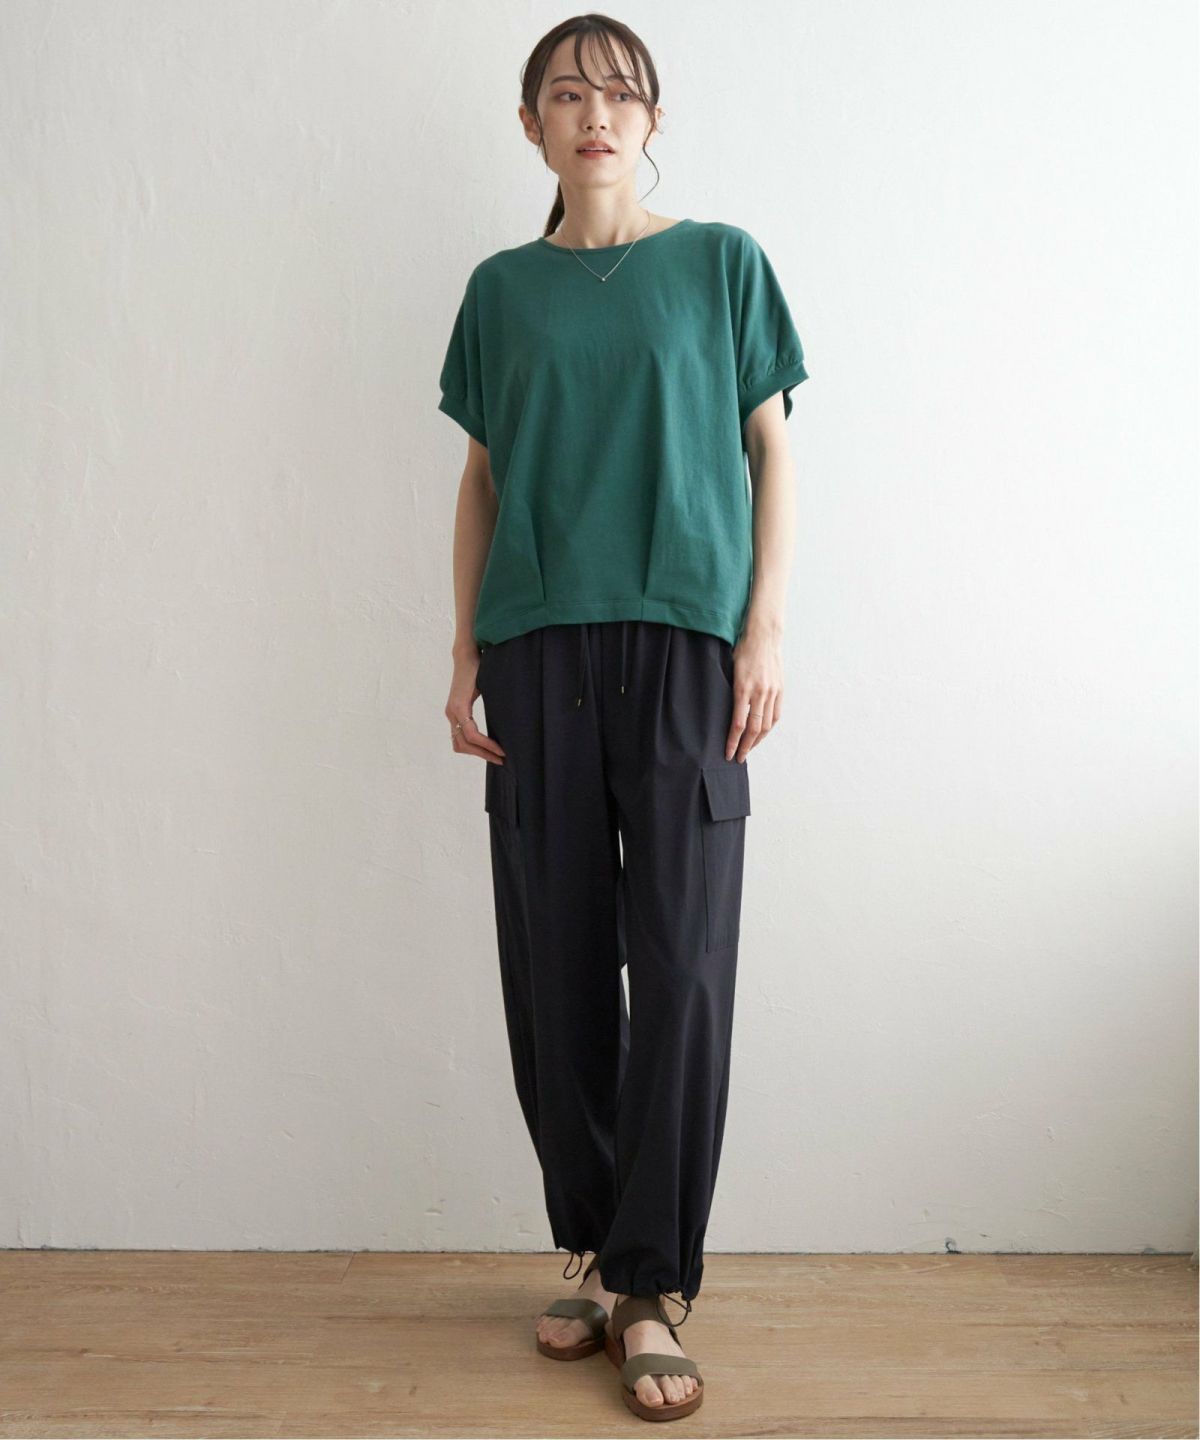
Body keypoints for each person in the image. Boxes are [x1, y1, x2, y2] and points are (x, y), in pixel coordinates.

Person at [437, 14, 809, 1422]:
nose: (593, 111)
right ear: (530, 124)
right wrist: (464, 646)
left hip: (683, 649)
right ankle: (595, 1249)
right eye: (564, 92)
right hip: (537, 653)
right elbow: (482, 477)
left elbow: (773, 450)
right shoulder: (499, 291)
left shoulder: (720, 263)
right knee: (558, 963)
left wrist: (763, 628)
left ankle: (655, 1281)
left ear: (652, 119)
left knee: (684, 964)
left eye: (617, 91)